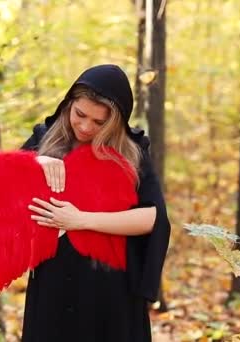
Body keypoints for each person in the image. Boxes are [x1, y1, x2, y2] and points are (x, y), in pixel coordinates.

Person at [19, 64, 171, 342]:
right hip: (51, 285)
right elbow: (1, 189)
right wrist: (34, 163)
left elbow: (152, 219)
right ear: (69, 103)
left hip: (111, 289)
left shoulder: (132, 152)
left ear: (116, 119)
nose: (86, 127)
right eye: (80, 114)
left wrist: (81, 220)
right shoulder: (44, 138)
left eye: (99, 122)